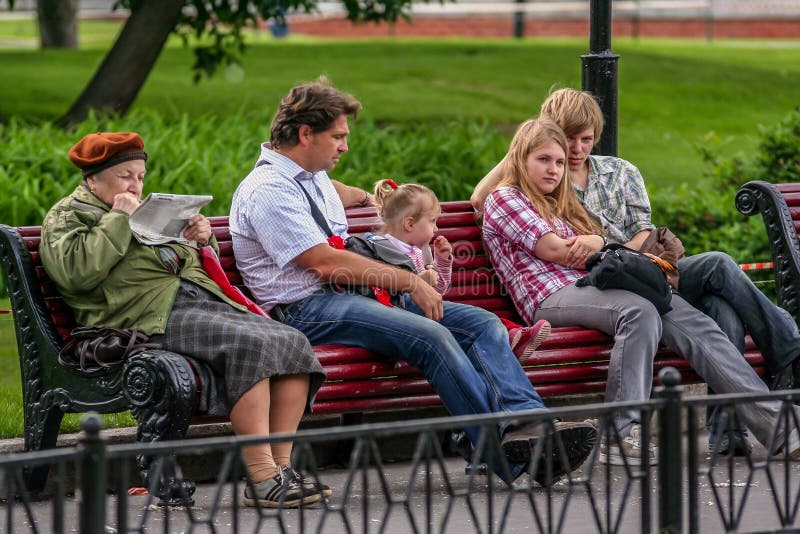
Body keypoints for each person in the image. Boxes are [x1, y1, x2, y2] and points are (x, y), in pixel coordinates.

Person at [229, 77, 598, 486]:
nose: (345, 146)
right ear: (304, 134)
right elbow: (323, 263)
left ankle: (529, 426)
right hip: (307, 309)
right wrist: (409, 281)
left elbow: (337, 193)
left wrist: (371, 197)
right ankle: (506, 451)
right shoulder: (267, 190)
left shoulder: (308, 176)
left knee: (483, 325)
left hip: (359, 294)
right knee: (432, 336)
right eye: (337, 137)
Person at [473, 88, 800, 456]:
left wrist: (597, 243)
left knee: (694, 320)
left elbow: (600, 241)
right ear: (522, 157)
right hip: (552, 295)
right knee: (641, 310)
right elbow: (560, 252)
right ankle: (618, 433)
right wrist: (596, 245)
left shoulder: (561, 197)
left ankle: (783, 428)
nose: (556, 168)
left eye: (560, 161)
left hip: (601, 284)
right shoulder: (507, 197)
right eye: (545, 159)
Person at [40, 132, 329, 509]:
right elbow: (77, 273)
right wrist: (118, 218)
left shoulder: (145, 211)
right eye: (125, 175)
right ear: (94, 178)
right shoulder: (68, 216)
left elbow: (180, 265)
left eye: (140, 176)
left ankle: (281, 469)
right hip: (141, 318)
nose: (136, 184)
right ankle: (261, 477)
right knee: (251, 345)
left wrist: (200, 239)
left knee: (292, 342)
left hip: (195, 303)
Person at [369, 177, 551, 359]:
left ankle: (513, 335)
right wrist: (418, 281)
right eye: (432, 221)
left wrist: (441, 261)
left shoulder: (418, 251)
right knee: (475, 320)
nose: (436, 228)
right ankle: (511, 335)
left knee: (477, 320)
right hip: (406, 322)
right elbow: (387, 295)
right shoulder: (380, 249)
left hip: (428, 316)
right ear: (409, 224)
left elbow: (438, 291)